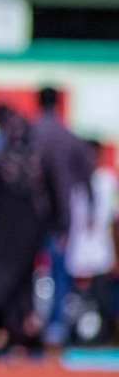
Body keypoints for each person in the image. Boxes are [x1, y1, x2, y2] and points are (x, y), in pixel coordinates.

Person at [0, 114, 56, 357]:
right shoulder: (31, 160)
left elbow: (49, 197)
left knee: (14, 283)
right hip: (20, 231)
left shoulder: (6, 160)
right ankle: (9, 334)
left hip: (15, 232)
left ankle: (15, 334)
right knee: (12, 283)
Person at [31, 87, 87, 346]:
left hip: (31, 216)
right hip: (62, 218)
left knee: (27, 273)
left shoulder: (32, 134)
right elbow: (85, 178)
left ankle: (29, 325)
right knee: (59, 274)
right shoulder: (69, 137)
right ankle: (56, 328)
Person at [64, 140, 117, 343]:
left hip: (101, 252)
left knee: (102, 302)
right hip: (78, 253)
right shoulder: (73, 180)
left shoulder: (106, 181)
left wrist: (115, 253)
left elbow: (112, 219)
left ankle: (103, 339)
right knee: (77, 303)